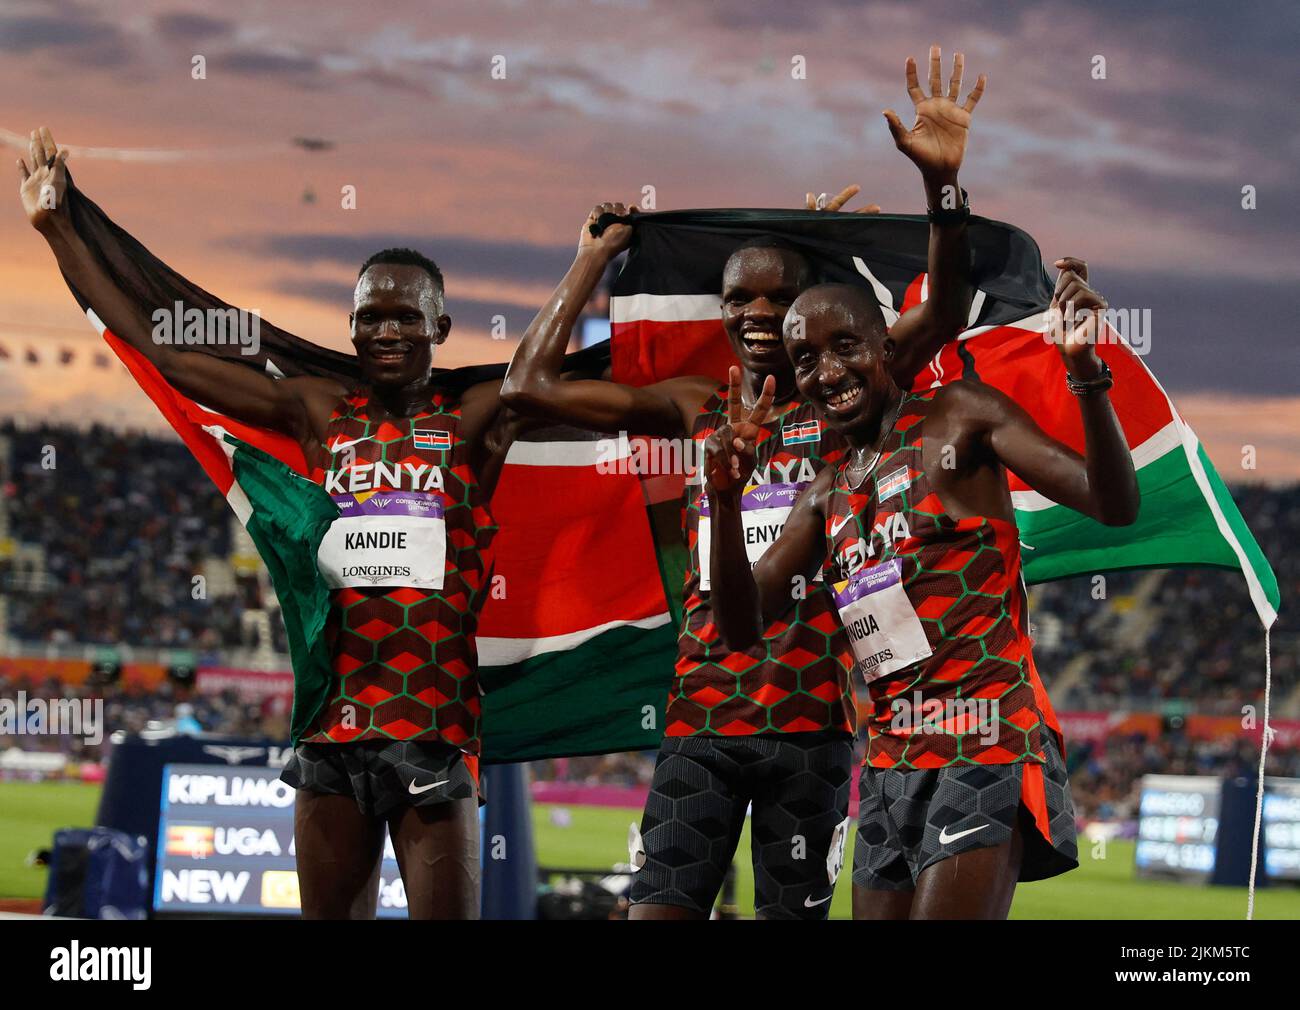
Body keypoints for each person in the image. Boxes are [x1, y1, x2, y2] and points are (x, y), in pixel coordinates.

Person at [501, 46, 986, 918]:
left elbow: (943, 309)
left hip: (815, 728)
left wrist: (943, 189)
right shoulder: (694, 408)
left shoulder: (851, 398)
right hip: (700, 718)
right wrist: (591, 262)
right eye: (739, 300)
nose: (757, 315)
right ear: (719, 311)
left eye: (778, 299)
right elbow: (527, 387)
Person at [18, 126, 523, 920]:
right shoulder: (317, 409)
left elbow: (557, 378)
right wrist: (58, 232)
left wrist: (596, 259)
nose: (385, 331)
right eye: (370, 316)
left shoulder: (469, 419)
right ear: (350, 326)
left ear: (441, 328)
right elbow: (169, 353)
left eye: (405, 316)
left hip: (435, 721)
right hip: (332, 728)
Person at [700, 265, 1138, 919]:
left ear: (885, 347)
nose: (829, 373)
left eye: (844, 347)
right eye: (806, 359)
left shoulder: (958, 415)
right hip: (886, 765)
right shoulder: (825, 493)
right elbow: (739, 626)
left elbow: (1112, 502)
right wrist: (726, 503)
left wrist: (1084, 373)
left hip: (982, 738)